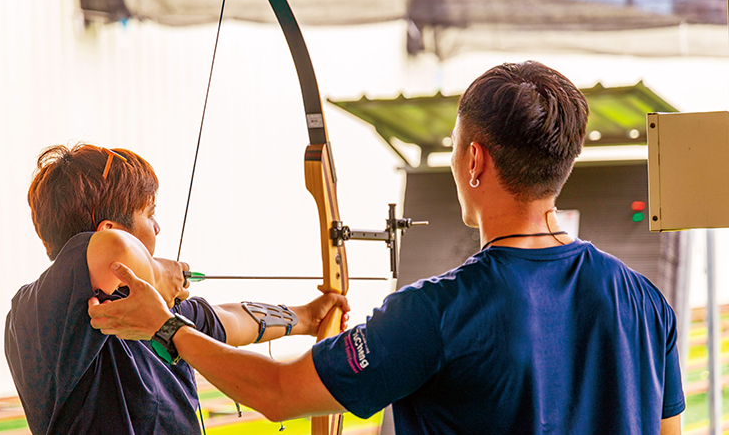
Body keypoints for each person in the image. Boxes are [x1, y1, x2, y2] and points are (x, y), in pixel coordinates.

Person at [88, 61, 685, 434]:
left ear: (473, 160)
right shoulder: (646, 302)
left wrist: (164, 328)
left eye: (457, 146)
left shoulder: (440, 310)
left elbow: (276, 394)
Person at [4, 144, 349, 434]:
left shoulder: (148, 310)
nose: (157, 226)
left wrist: (306, 317)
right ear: (109, 228)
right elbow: (112, 250)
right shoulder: (39, 309)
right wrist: (156, 272)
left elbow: (227, 320)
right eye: (148, 213)